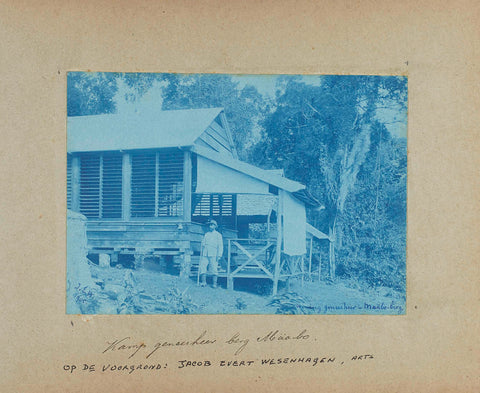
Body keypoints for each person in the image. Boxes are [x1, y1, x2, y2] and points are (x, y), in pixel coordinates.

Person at [199, 219, 223, 288]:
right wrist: (202, 243)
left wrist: (219, 255)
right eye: (210, 225)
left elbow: (220, 246)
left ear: (215, 226)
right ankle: (203, 282)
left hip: (213, 253)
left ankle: (214, 284)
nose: (210, 226)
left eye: (212, 225)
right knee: (203, 266)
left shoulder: (218, 235)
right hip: (205, 253)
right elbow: (203, 243)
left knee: (214, 268)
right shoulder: (206, 234)